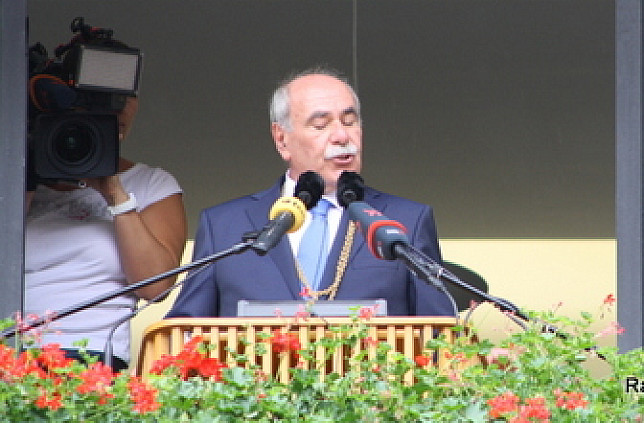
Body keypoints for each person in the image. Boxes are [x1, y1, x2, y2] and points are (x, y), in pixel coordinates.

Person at [167, 67, 454, 319]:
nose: (342, 136)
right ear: (282, 139)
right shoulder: (224, 227)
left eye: (350, 121)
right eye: (321, 125)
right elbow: (183, 333)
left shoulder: (406, 221)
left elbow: (440, 335)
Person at [24, 32, 187, 372]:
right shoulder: (19, 178)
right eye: (99, 99)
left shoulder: (151, 184)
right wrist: (27, 172)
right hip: (12, 353)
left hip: (95, 359)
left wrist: (114, 192)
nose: (120, 108)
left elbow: (156, 287)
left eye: (127, 97)